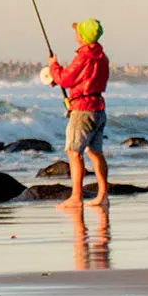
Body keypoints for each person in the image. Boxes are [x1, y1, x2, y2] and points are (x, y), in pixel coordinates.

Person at [45, 17, 111, 208]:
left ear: (82, 36)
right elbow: (85, 79)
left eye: (77, 31)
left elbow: (66, 79)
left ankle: (76, 196)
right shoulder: (102, 57)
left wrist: (53, 66)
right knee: (96, 152)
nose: (75, 34)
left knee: (74, 152)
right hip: (98, 107)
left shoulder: (83, 56)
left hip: (82, 110)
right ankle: (103, 194)